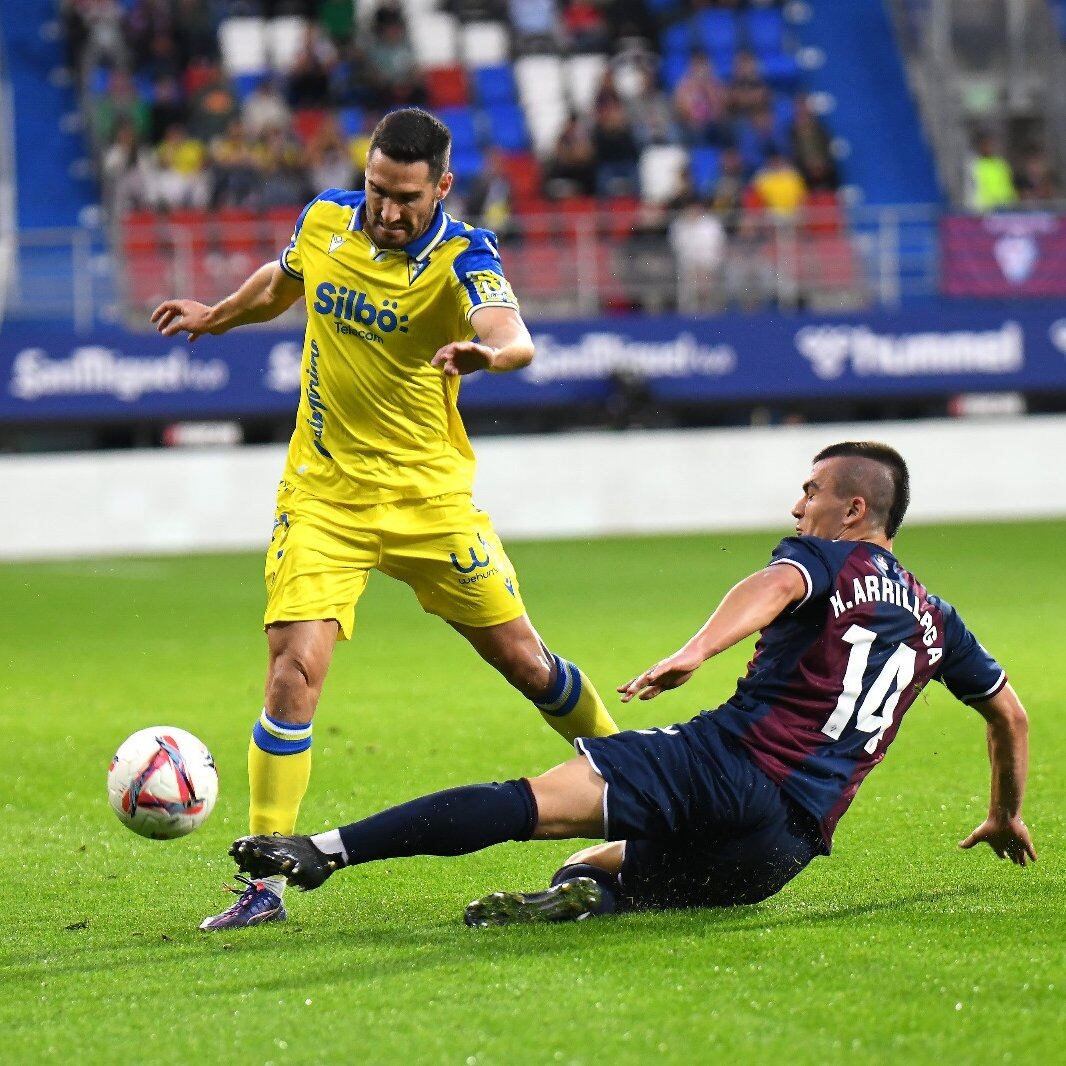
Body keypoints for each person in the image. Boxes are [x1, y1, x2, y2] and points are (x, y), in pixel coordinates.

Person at [230, 442, 1036, 925]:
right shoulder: (936, 618)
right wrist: (1003, 813)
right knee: (591, 868)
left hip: (725, 767)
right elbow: (1009, 714)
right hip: (783, 851)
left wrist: (698, 649)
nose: (799, 506)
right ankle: (586, 899)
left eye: (813, 493)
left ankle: (324, 851)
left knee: (531, 801)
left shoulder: (829, 557)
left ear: (855, 509)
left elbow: (774, 588)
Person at [150, 107, 621, 930]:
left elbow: (513, 334)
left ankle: (636, 785)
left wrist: (492, 355)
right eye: (377, 189)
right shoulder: (326, 218)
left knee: (527, 664)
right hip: (324, 495)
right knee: (293, 671)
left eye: (406, 196)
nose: (388, 210)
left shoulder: (464, 254)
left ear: (441, 186)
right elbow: (283, 280)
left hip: (431, 501)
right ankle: (265, 883)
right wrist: (215, 315)